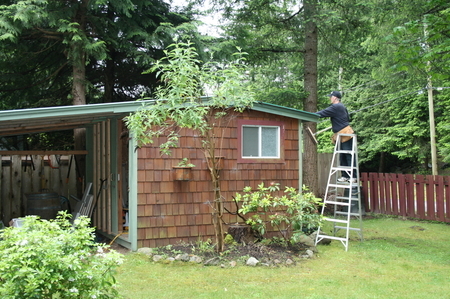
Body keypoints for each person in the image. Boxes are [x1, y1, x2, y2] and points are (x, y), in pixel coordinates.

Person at [316, 91, 357, 183]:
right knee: (342, 155)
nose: (330, 98)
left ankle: (353, 176)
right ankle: (345, 176)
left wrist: (310, 115)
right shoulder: (341, 107)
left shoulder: (336, 107)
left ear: (335, 98)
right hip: (340, 134)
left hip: (345, 133)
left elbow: (322, 113)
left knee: (348, 154)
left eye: (331, 97)